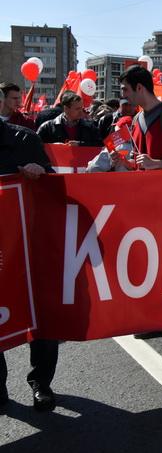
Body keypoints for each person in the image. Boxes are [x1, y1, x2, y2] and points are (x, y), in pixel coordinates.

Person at [0, 90, 59, 412]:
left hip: (30, 246)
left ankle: (41, 382)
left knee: (41, 317)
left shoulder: (25, 139)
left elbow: (55, 190)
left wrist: (40, 173)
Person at [121, 64, 162, 171]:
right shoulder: (135, 120)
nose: (123, 95)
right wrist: (123, 162)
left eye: (125, 89)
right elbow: (136, 163)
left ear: (139, 87)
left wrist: (158, 163)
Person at [36, 91, 102, 146]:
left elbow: (100, 145)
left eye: (81, 108)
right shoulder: (47, 127)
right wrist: (53, 146)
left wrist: (80, 144)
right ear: (66, 109)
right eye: (77, 109)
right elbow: (35, 145)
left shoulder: (90, 127)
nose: (81, 112)